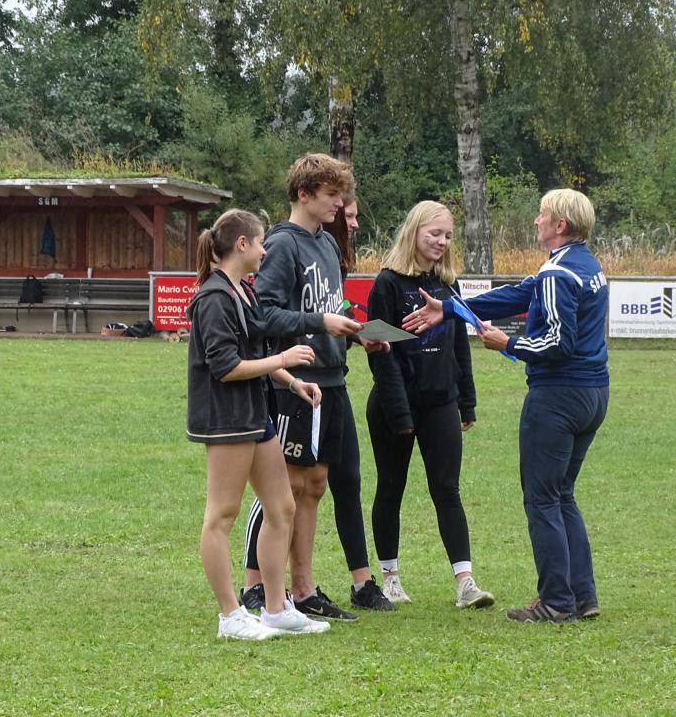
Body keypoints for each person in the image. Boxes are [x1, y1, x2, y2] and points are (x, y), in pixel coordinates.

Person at [403, 189, 609, 623]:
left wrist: (508, 344)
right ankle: (581, 595)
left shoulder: (558, 273)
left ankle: (556, 602)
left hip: (557, 396)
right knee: (562, 494)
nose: (536, 221)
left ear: (560, 225)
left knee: (542, 499)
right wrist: (451, 308)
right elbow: (519, 294)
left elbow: (557, 343)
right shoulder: (586, 265)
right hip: (593, 393)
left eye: (542, 215)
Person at [240, 154, 395, 622]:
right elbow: (262, 314)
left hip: (332, 379)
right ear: (303, 194)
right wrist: (319, 322)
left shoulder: (327, 242)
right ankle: (257, 587)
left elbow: (332, 304)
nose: (339, 204)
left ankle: (304, 589)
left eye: (341, 195)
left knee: (316, 485)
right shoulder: (282, 244)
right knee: (283, 488)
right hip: (292, 380)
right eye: (331, 195)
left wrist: (356, 333)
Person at [187, 208, 329, 639]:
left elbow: (252, 354)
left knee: (282, 506)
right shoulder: (213, 298)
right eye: (262, 242)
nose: (266, 250)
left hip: (255, 414)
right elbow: (226, 367)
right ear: (242, 244)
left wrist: (291, 381)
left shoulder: (243, 291)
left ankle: (275, 609)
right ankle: (230, 616)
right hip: (227, 418)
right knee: (222, 514)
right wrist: (284, 358)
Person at [365, 200, 494, 609]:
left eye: (448, 235)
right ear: (414, 231)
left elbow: (460, 347)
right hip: (394, 406)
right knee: (391, 487)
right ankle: (390, 578)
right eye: (434, 233)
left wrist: (466, 401)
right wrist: (399, 411)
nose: (442, 241)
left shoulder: (447, 285)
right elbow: (379, 354)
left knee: (447, 489)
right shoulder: (386, 284)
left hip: (441, 403)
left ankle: (465, 583)